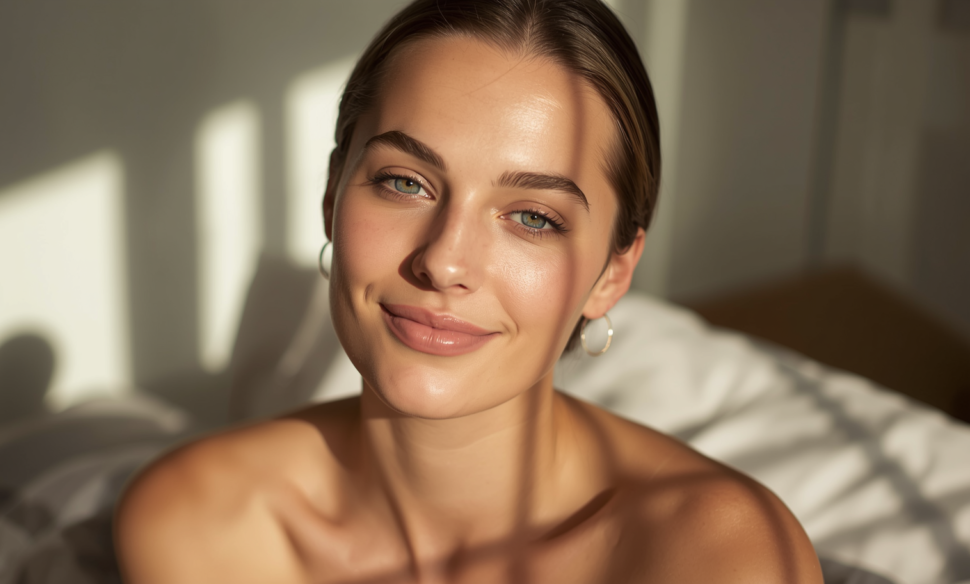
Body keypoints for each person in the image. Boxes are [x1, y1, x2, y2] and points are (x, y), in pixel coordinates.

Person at [115, 0, 823, 582]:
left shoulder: (723, 557)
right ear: (333, 194)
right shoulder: (199, 524)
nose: (444, 262)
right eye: (405, 182)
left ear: (613, 272)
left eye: (533, 218)